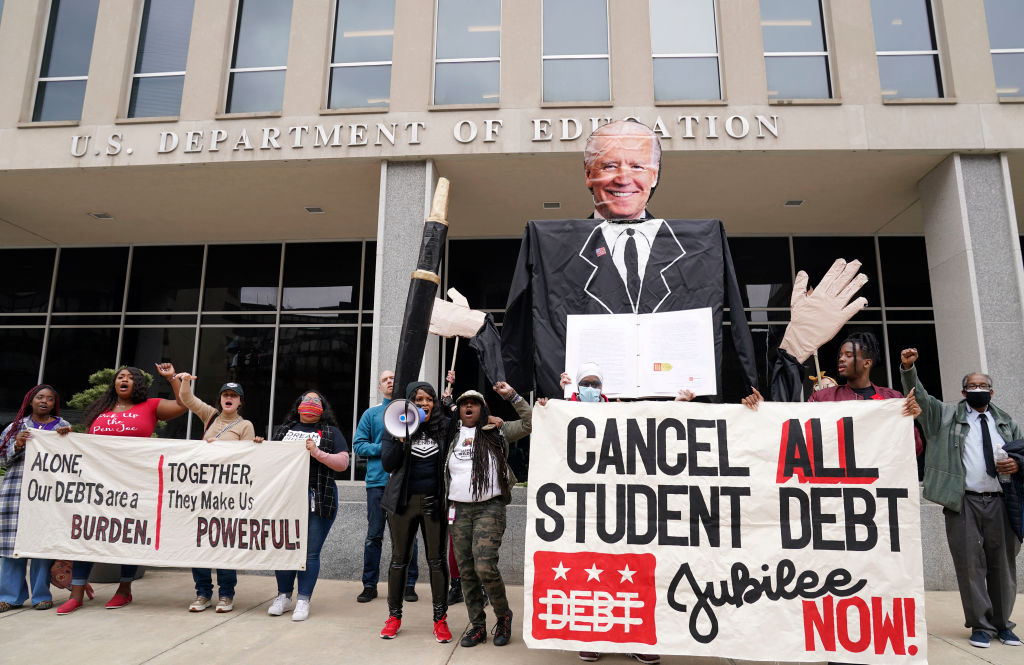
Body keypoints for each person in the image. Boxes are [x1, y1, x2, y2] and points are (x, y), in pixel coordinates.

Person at [900, 348, 1022, 649]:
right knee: (969, 567)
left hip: (1001, 501)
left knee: (1002, 566)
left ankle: (1003, 625)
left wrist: (1018, 464)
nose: (977, 390)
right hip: (963, 502)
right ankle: (980, 625)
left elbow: (1022, 455)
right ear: (963, 391)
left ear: (991, 391)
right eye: (972, 386)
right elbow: (924, 400)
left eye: (982, 386)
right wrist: (908, 369)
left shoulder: (1006, 422)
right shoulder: (945, 416)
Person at [57, 364, 188, 615]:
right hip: (98, 484)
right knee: (87, 532)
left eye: (129, 378)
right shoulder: (101, 409)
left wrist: (172, 378)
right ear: (114, 383)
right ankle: (76, 593)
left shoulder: (150, 406)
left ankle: (124, 589)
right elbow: (88, 443)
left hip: (134, 483)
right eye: (120, 377)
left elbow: (183, 405)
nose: (124, 380)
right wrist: (68, 435)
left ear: (137, 384)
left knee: (130, 533)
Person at [448, 381, 532, 648]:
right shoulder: (451, 434)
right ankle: (477, 626)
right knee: (467, 571)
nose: (468, 406)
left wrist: (513, 396)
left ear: (483, 409)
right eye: (464, 403)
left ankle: (503, 616)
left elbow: (531, 424)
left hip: (489, 507)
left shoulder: (498, 430)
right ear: (458, 410)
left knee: (485, 566)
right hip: (458, 509)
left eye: (474, 403)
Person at [173, 373, 263, 613]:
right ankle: (202, 593)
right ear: (220, 399)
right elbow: (188, 399)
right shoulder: (209, 415)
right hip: (202, 492)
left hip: (227, 494)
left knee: (224, 543)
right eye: (225, 395)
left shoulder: (245, 426)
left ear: (240, 401)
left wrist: (233, 447)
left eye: (234, 395)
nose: (229, 398)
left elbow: (245, 460)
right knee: (199, 542)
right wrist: (183, 381)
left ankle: (226, 594)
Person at [379, 381, 454, 643]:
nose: (424, 404)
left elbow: (463, 420)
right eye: (418, 399)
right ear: (409, 403)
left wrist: (449, 402)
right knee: (399, 559)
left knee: (436, 560)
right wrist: (401, 439)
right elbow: (388, 462)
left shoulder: (443, 428)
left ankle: (440, 620)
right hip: (403, 504)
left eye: (429, 399)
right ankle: (394, 617)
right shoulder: (396, 426)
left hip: (435, 504)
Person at [268, 390, 349, 621]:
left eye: (316, 401)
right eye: (307, 399)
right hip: (287, 497)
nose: (311, 403)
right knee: (285, 547)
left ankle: (303, 599)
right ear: (299, 405)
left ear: (323, 408)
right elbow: (271, 459)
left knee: (310, 552)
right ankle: (283, 596)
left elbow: (343, 463)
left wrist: (317, 453)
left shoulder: (330, 432)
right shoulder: (284, 430)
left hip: (319, 497)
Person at [0, 385, 71, 612]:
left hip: (47, 497)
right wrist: (18, 444)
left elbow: (73, 462)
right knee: (12, 548)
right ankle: (10, 597)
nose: (44, 402)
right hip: (16, 493)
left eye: (50, 399)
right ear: (30, 401)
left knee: (42, 545)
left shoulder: (63, 428)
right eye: (40, 397)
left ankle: (41, 595)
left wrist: (65, 441)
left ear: (54, 404)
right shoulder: (15, 428)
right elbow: (3, 460)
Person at [353, 369, 420, 604]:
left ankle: (410, 584)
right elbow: (358, 445)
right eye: (385, 379)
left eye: (393, 377)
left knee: (408, 536)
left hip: (405, 484)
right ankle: (369, 585)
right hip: (378, 484)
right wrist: (387, 449)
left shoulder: (412, 412)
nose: (390, 381)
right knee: (374, 536)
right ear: (379, 387)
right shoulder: (371, 415)